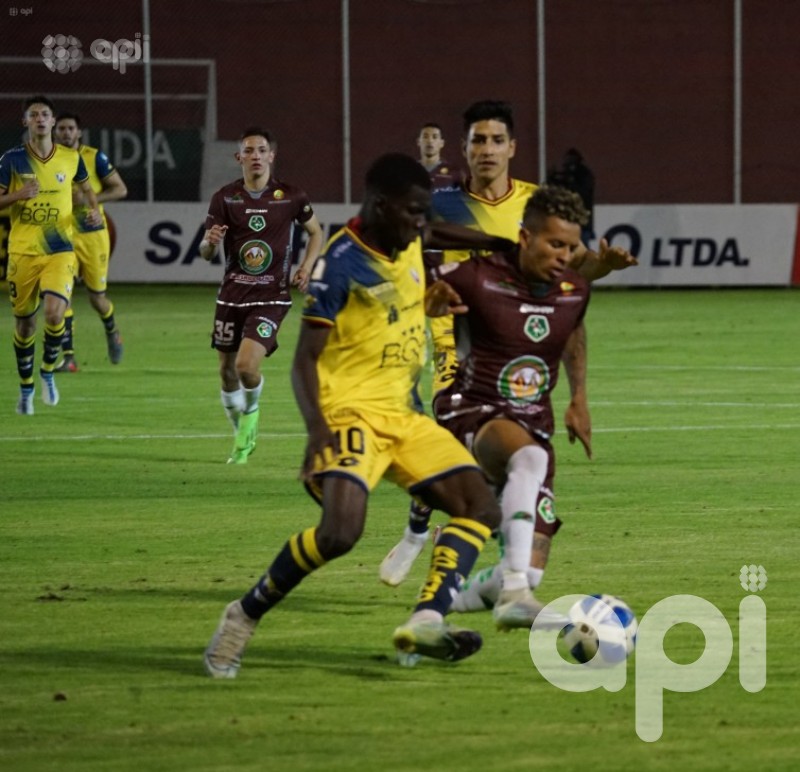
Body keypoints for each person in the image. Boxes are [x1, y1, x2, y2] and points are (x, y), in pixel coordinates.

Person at [203, 153, 502, 678]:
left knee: (480, 506)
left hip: (403, 415)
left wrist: (504, 245)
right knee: (340, 534)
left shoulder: (410, 235)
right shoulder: (340, 263)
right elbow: (303, 359)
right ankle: (243, 615)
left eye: (424, 212)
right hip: (349, 416)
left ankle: (427, 619)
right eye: (413, 211)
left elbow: (434, 233)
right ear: (381, 206)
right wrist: (317, 430)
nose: (421, 222)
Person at [379, 100, 634, 587]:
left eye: (497, 140)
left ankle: (484, 565)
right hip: (457, 344)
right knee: (450, 444)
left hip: (521, 349)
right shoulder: (436, 201)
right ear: (463, 149)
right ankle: (420, 533)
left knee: (499, 465)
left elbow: (576, 268)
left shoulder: (537, 204)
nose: (488, 150)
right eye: (478, 140)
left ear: (513, 148)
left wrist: (603, 266)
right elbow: (401, 257)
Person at [429, 185, 592, 630]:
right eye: (554, 244)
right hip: (470, 409)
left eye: (571, 247)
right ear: (524, 237)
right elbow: (409, 263)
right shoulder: (476, 276)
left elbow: (573, 333)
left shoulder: (575, 289)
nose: (563, 256)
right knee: (529, 457)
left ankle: (438, 608)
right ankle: (516, 594)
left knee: (529, 566)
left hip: (533, 421)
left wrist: (579, 398)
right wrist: (427, 300)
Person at [200, 126, 323, 464]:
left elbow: (316, 232)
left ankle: (251, 415)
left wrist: (306, 267)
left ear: (272, 156)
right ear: (238, 157)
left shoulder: (291, 196)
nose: (255, 156)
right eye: (249, 151)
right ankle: (241, 432)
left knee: (245, 366)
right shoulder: (225, 197)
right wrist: (209, 242)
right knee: (227, 372)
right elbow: (206, 254)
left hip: (272, 296)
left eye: (261, 150)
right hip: (231, 297)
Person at [0, 95, 100, 415]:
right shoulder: (11, 160)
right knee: (25, 326)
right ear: (26, 122)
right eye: (34, 115)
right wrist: (18, 194)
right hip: (22, 252)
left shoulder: (71, 158)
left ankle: (47, 372)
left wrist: (94, 211)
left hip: (59, 249)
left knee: (55, 313)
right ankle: (26, 387)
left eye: (45, 114)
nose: (40, 119)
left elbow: (87, 190)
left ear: (53, 122)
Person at [53, 112, 127, 372]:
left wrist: (89, 200)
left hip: (93, 236)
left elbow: (120, 189)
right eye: (61, 128)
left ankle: (111, 329)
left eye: (70, 128)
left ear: (79, 132)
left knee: (97, 298)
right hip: (62, 236)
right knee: (62, 296)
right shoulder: (48, 160)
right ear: (54, 132)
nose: (66, 133)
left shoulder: (94, 157)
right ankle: (69, 358)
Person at [547, 147, 595, 246]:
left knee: (582, 248)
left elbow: (583, 193)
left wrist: (570, 182)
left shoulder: (584, 175)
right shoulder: (567, 177)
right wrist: (552, 178)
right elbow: (552, 189)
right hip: (567, 221)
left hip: (582, 223)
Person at [416, 122, 461, 189]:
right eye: (425, 137)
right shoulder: (409, 171)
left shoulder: (454, 173)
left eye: (435, 137)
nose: (430, 141)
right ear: (418, 142)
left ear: (442, 143)